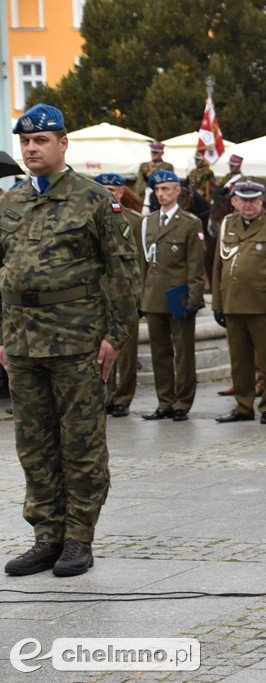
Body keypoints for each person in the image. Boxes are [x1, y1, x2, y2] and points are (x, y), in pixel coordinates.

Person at [1, 104, 140, 577]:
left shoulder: (95, 200)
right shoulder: (12, 202)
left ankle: (79, 537)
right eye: (25, 142)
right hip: (22, 341)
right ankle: (46, 536)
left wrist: (117, 336)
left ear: (63, 144)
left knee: (80, 442)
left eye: (41, 141)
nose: (31, 149)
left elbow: (124, 271)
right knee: (34, 444)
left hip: (77, 340)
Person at [212, 181, 266, 425]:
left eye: (254, 200)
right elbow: (217, 267)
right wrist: (217, 303)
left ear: (262, 201)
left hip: (264, 305)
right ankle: (243, 405)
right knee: (239, 360)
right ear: (234, 201)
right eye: (243, 200)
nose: (248, 205)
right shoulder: (228, 225)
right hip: (233, 303)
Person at [139, 170, 206, 422]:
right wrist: (140, 296)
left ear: (178, 191)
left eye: (166, 189)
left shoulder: (190, 222)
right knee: (160, 352)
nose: (161, 194)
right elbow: (143, 262)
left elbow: (195, 265)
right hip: (154, 295)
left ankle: (182, 402)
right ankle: (164, 401)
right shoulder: (148, 222)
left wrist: (194, 298)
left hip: (179, 295)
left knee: (183, 351)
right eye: (157, 190)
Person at [96, 173, 146, 418]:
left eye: (114, 190)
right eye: (105, 189)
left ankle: (123, 397)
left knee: (126, 350)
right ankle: (104, 395)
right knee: (99, 348)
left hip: (125, 291)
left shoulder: (134, 220)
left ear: (122, 192)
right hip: (98, 291)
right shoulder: (89, 216)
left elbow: (141, 260)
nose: (110, 193)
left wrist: (139, 296)